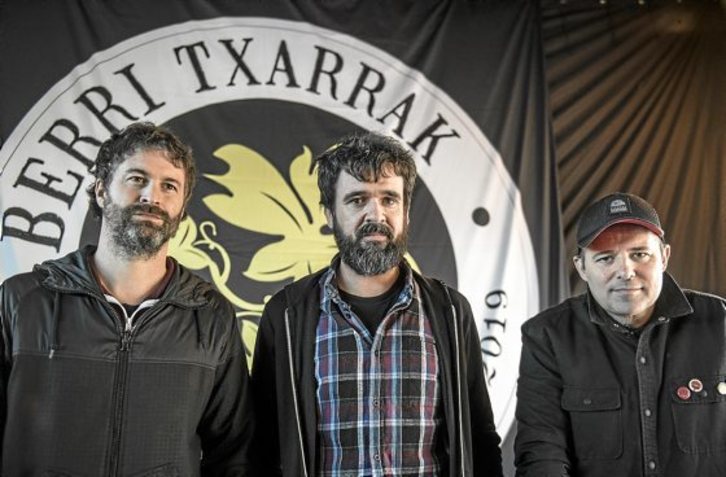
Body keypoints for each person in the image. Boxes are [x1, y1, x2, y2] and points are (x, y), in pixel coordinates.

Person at [0, 122, 255, 476]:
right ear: (101, 191)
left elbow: (235, 456)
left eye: (169, 186)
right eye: (137, 178)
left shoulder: (211, 317)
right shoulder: (23, 301)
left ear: (182, 207)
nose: (152, 196)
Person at [251, 131, 503, 477]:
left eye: (389, 199)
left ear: (406, 212)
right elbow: (262, 444)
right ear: (329, 214)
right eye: (357, 200)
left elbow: (480, 437)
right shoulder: (286, 314)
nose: (377, 215)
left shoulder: (451, 311)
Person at [514, 192, 726, 477]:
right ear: (582, 267)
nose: (626, 271)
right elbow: (541, 451)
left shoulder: (720, 323)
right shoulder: (547, 337)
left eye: (640, 254)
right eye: (605, 258)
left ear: (664, 257)